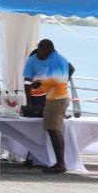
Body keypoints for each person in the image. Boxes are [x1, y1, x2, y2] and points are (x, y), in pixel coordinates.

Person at [24, 38, 73, 173]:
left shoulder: (55, 60)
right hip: (59, 97)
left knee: (54, 131)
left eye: (40, 50)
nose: (39, 53)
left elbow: (57, 80)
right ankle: (60, 163)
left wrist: (40, 83)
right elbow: (65, 75)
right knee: (55, 130)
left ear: (46, 49)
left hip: (56, 99)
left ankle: (60, 164)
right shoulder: (60, 58)